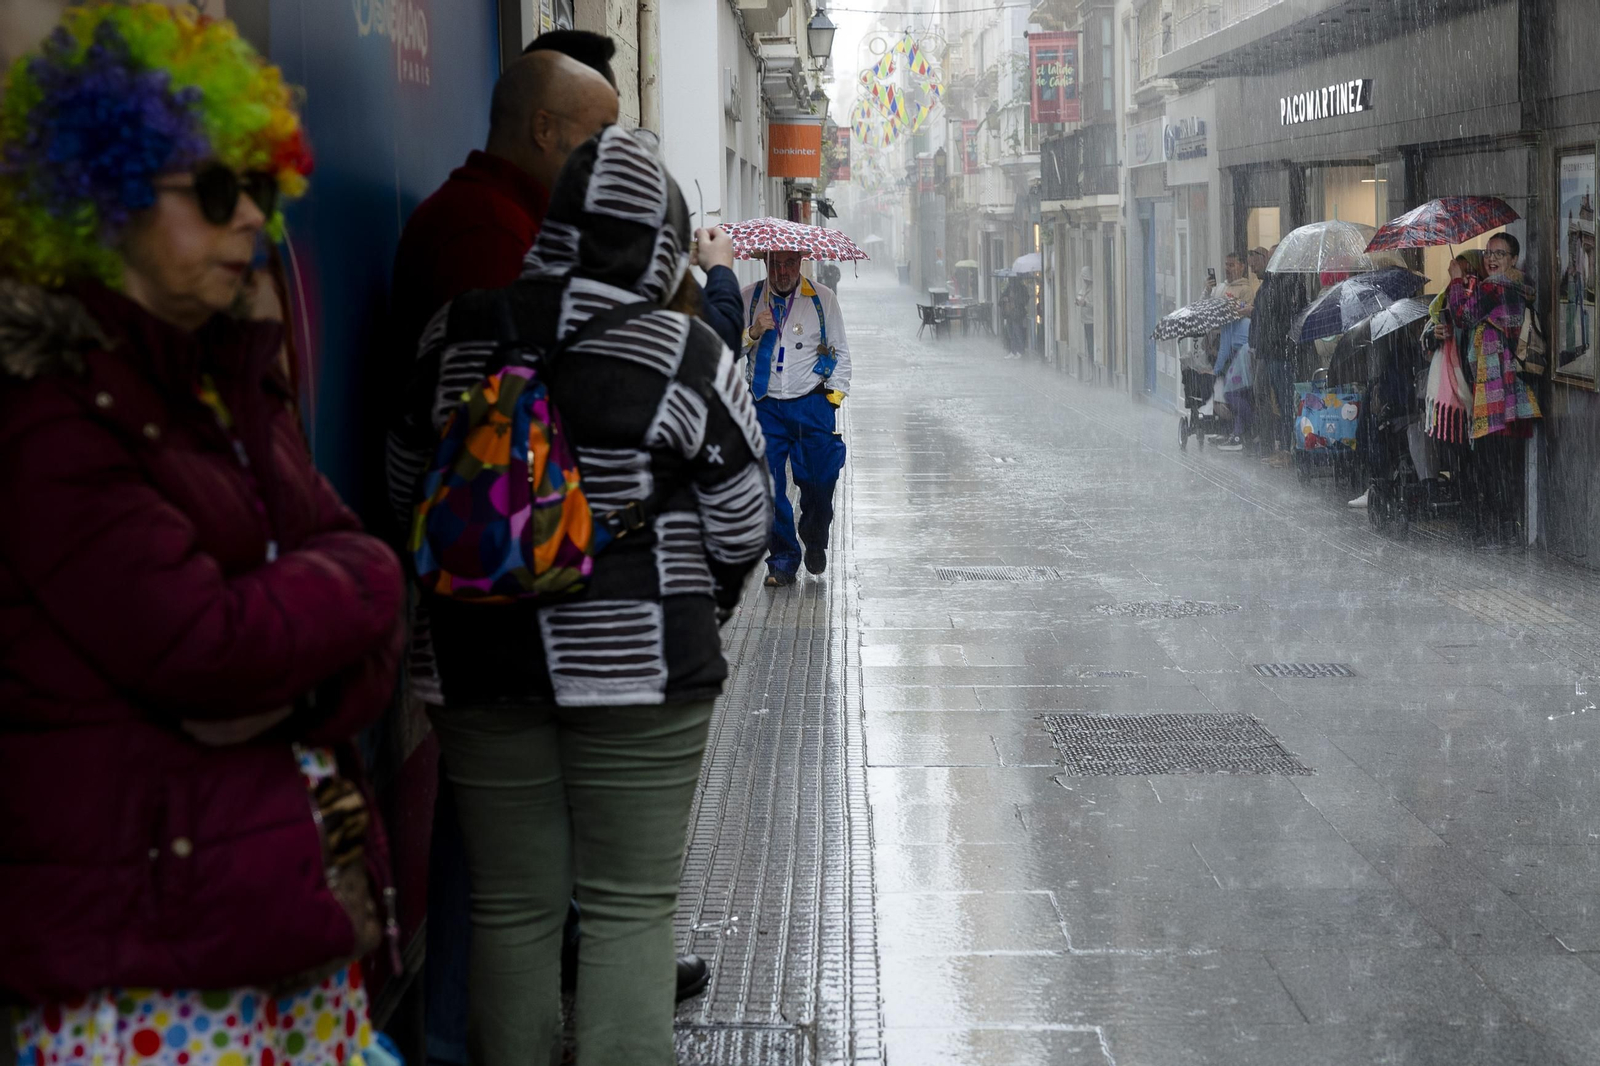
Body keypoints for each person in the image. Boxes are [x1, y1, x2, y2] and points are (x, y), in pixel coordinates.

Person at [0, 6, 406, 1063]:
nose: (246, 228)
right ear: (107, 195)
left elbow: (359, 587)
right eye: (217, 193)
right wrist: (347, 593)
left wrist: (315, 651)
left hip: (279, 914)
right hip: (146, 966)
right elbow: (208, 647)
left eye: (262, 195)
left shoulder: (223, 388)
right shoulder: (51, 414)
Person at [388, 127, 771, 1066]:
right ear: (664, 242)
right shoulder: (684, 350)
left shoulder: (457, 332)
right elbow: (745, 520)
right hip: (643, 673)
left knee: (509, 911)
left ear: (555, 224)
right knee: (629, 910)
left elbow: (408, 490)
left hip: (478, 666)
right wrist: (701, 605)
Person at [742, 250, 853, 586]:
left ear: (801, 263)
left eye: (789, 263)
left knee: (820, 482)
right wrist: (753, 332)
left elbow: (841, 351)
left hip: (810, 404)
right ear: (765, 264)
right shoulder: (748, 298)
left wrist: (831, 402)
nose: (782, 271)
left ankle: (814, 536)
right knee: (765, 485)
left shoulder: (822, 299)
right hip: (765, 405)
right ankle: (783, 560)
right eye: (775, 264)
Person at [1447, 233, 1542, 547]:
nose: (1491, 258)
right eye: (1488, 252)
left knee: (1492, 466)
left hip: (1495, 395)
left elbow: (1463, 315)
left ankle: (1500, 531)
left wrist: (1456, 281)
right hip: (1512, 393)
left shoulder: (1496, 287)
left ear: (1513, 259)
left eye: (1500, 253)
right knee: (1502, 465)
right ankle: (1505, 529)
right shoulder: (1517, 285)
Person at [1075, 265, 1095, 361]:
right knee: (1089, 344)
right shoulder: (1085, 288)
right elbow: (1080, 295)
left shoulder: (1094, 289)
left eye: (1085, 278)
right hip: (1086, 320)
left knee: (1091, 345)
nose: (1084, 281)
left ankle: (1092, 361)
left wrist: (1086, 303)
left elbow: (1097, 305)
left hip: (1092, 321)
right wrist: (1078, 300)